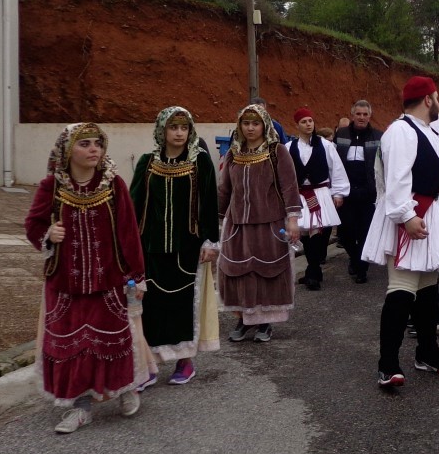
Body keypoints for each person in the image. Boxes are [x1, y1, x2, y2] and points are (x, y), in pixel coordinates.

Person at [24, 123, 149, 434]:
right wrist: (48, 234)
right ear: (68, 150)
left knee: (115, 339)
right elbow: (33, 224)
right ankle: (81, 408)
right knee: (72, 346)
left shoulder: (113, 184)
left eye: (98, 143)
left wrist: (137, 276)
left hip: (108, 280)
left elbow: (128, 232)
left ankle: (124, 388)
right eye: (85, 144)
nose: (94, 149)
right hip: (65, 284)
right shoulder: (52, 186)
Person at [363, 76, 439, 388]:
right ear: (428, 99)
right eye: (436, 97)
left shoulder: (427, 130)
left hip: (431, 216)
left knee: (427, 289)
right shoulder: (401, 131)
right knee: (401, 289)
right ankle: (387, 364)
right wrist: (407, 216)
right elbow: (396, 177)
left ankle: (427, 352)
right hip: (415, 214)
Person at [130, 106, 220, 388]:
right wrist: (129, 245)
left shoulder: (199, 161)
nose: (179, 133)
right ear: (162, 130)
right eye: (173, 127)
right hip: (151, 247)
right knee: (152, 305)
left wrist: (211, 241)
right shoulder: (147, 163)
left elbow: (209, 202)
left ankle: (185, 361)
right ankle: (150, 364)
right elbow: (133, 205)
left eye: (184, 127)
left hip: (188, 247)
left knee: (183, 304)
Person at [218, 102, 301, 343]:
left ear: (264, 125)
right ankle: (244, 320)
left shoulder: (277, 152)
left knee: (266, 272)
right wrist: (217, 220)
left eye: (255, 123)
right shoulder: (233, 153)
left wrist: (293, 219)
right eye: (246, 123)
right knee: (240, 273)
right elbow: (224, 189)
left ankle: (265, 322)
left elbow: (289, 186)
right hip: (237, 226)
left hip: (269, 223)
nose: (250, 128)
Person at [290, 107, 350, 289]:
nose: (308, 124)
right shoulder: (289, 147)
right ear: (297, 125)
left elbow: (336, 168)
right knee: (305, 234)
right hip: (300, 195)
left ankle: (313, 272)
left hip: (320, 193)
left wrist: (338, 192)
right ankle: (313, 270)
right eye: (304, 122)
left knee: (317, 233)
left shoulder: (325, 145)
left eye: (310, 121)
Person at [333, 100, 381, 284]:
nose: (361, 117)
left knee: (364, 233)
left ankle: (362, 269)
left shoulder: (378, 136)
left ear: (370, 116)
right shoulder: (341, 134)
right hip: (346, 192)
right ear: (352, 115)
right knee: (345, 233)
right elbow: (333, 162)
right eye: (358, 114)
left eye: (365, 114)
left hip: (369, 192)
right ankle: (355, 258)